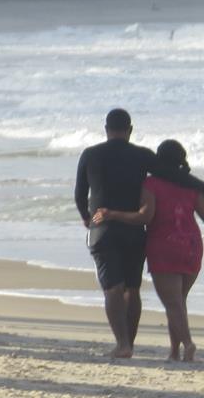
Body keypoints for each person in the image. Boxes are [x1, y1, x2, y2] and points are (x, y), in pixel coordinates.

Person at [74, 109, 204, 359]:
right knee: (132, 289)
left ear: (106, 129)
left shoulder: (90, 154)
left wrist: (87, 218)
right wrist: (201, 185)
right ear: (130, 130)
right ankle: (131, 344)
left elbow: (80, 194)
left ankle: (123, 344)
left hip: (103, 229)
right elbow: (172, 173)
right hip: (135, 233)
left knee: (112, 288)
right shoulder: (142, 156)